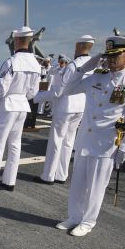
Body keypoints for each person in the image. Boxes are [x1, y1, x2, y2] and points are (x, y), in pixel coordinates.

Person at [56, 36, 125, 237]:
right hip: (85, 139)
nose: (111, 60)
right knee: (78, 183)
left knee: (96, 186)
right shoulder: (97, 76)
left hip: (107, 143)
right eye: (108, 56)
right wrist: (83, 68)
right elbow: (67, 89)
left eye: (116, 55)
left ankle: (88, 221)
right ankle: (74, 216)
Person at [0, 26, 41, 194]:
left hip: (10, 105)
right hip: (22, 106)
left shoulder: (12, 62)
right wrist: (21, 97)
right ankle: (9, 181)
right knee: (15, 144)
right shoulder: (36, 63)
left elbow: (2, 89)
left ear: (17, 40)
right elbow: (33, 92)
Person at [33, 35, 94, 185]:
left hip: (65, 107)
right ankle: (62, 174)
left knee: (56, 141)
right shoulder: (94, 66)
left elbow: (59, 91)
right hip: (80, 108)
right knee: (68, 142)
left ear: (79, 46)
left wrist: (37, 97)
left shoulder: (74, 65)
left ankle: (48, 175)